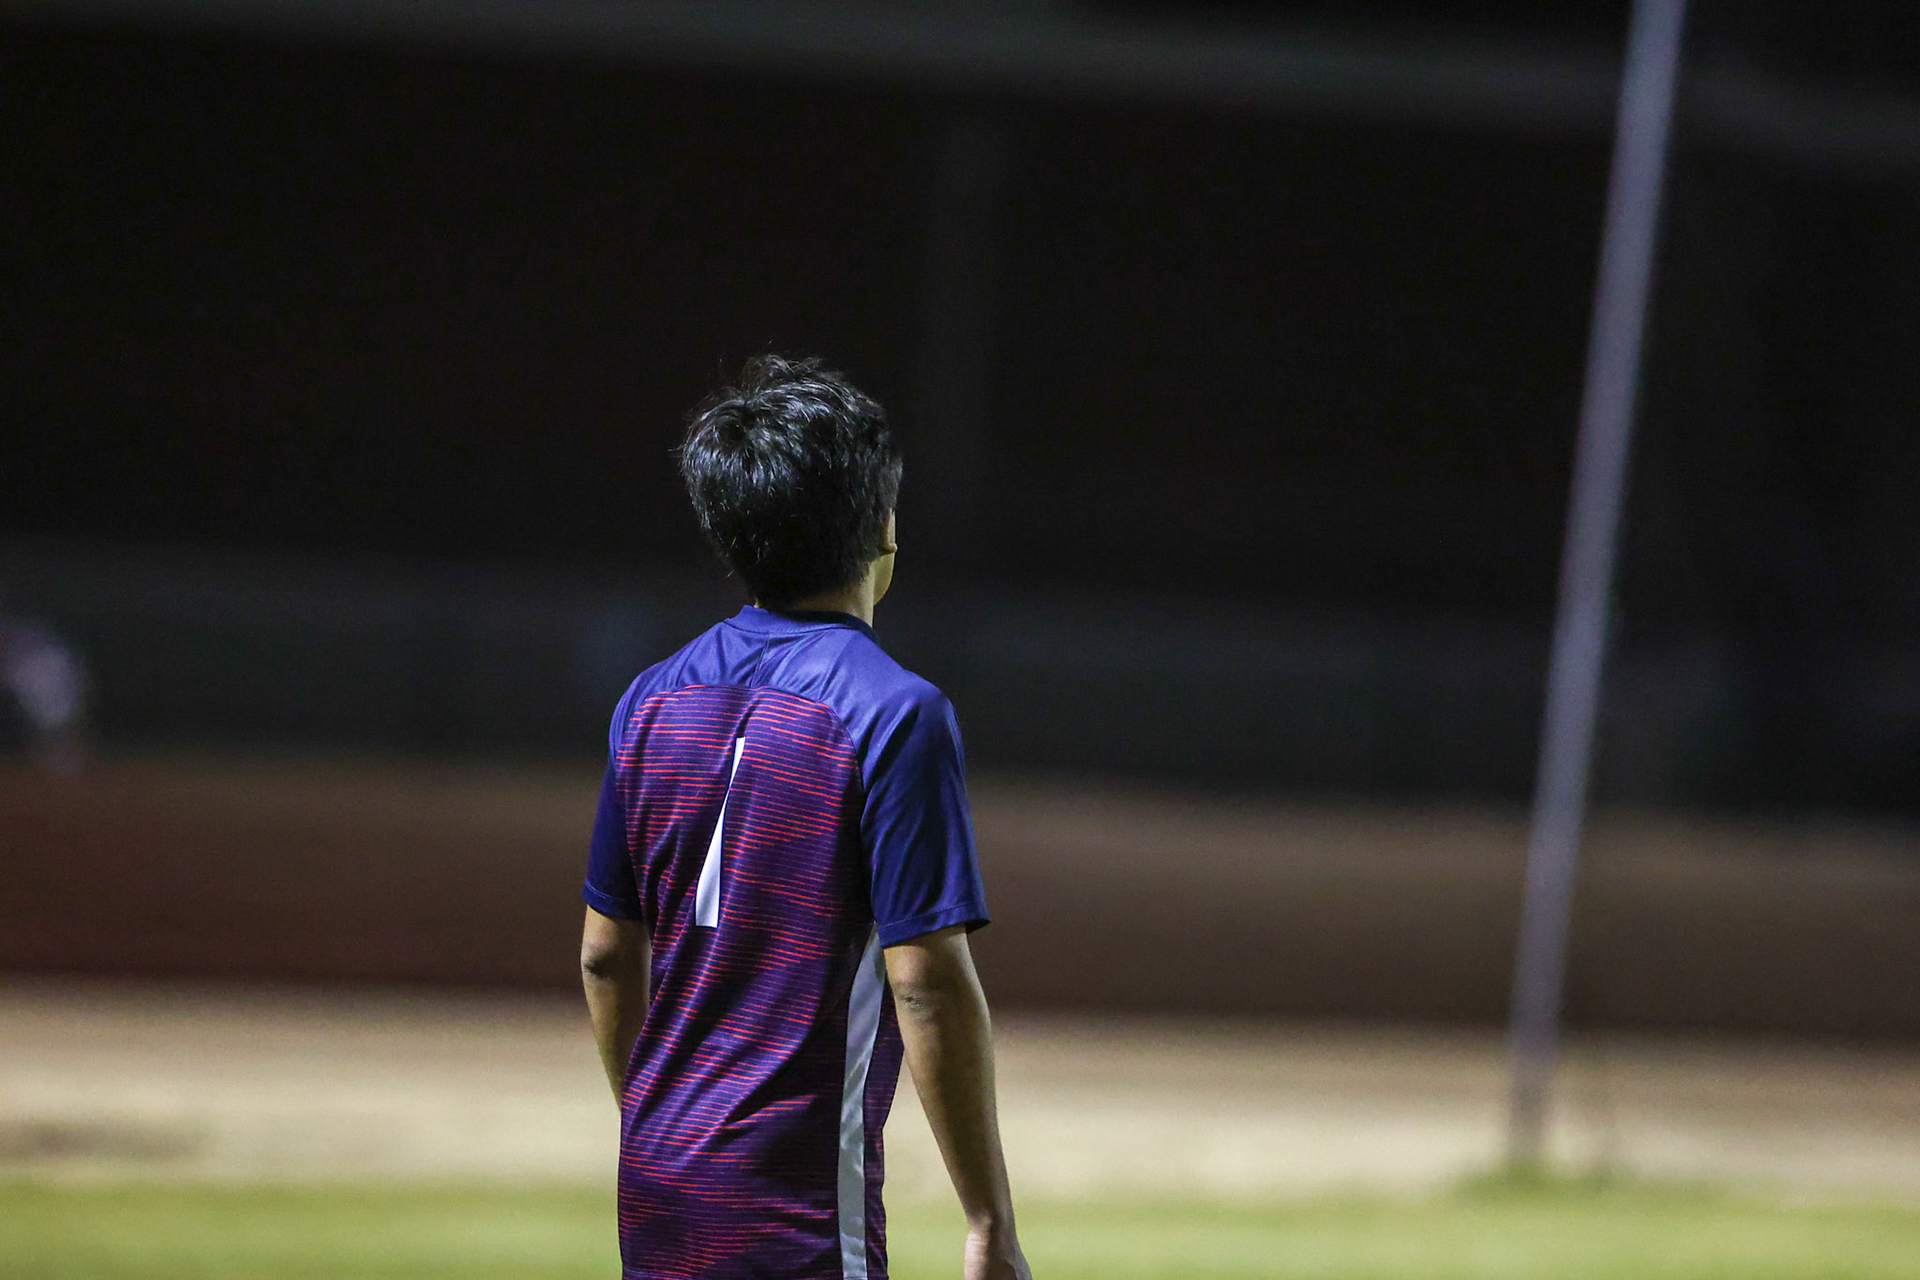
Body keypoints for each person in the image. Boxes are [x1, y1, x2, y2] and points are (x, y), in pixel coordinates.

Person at [580, 356, 1031, 1280]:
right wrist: (988, 1219)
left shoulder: (649, 700)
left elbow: (602, 955)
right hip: (794, 1202)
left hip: (657, 1183)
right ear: (884, 530)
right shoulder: (894, 713)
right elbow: (926, 982)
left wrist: (663, 1124)